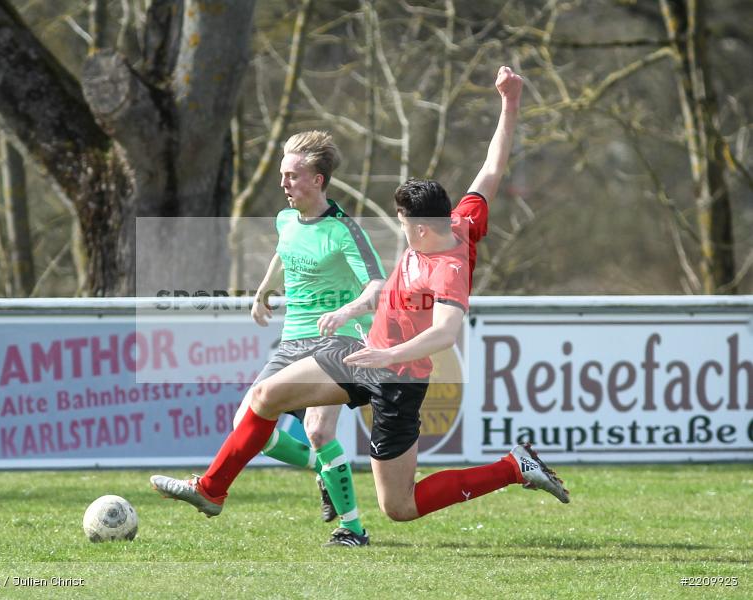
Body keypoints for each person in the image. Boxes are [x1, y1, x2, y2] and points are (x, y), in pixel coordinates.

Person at [151, 66, 569, 534]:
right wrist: (510, 102)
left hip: (399, 378)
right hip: (361, 354)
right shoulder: (460, 220)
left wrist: (388, 355)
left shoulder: (448, 270)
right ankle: (212, 490)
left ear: (420, 228)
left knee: (400, 506)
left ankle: (513, 467)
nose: (399, 228)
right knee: (265, 396)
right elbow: (492, 169)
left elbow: (445, 333)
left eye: (402, 222)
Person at [235, 130, 386, 546]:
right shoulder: (286, 219)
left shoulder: (345, 230)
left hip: (339, 341)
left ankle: (353, 529)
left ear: (318, 180)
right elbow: (284, 250)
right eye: (282, 174)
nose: (283, 183)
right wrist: (264, 288)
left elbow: (378, 286)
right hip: (294, 341)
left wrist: (346, 312)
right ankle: (324, 469)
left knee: (319, 431)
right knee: (246, 425)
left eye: (292, 176)